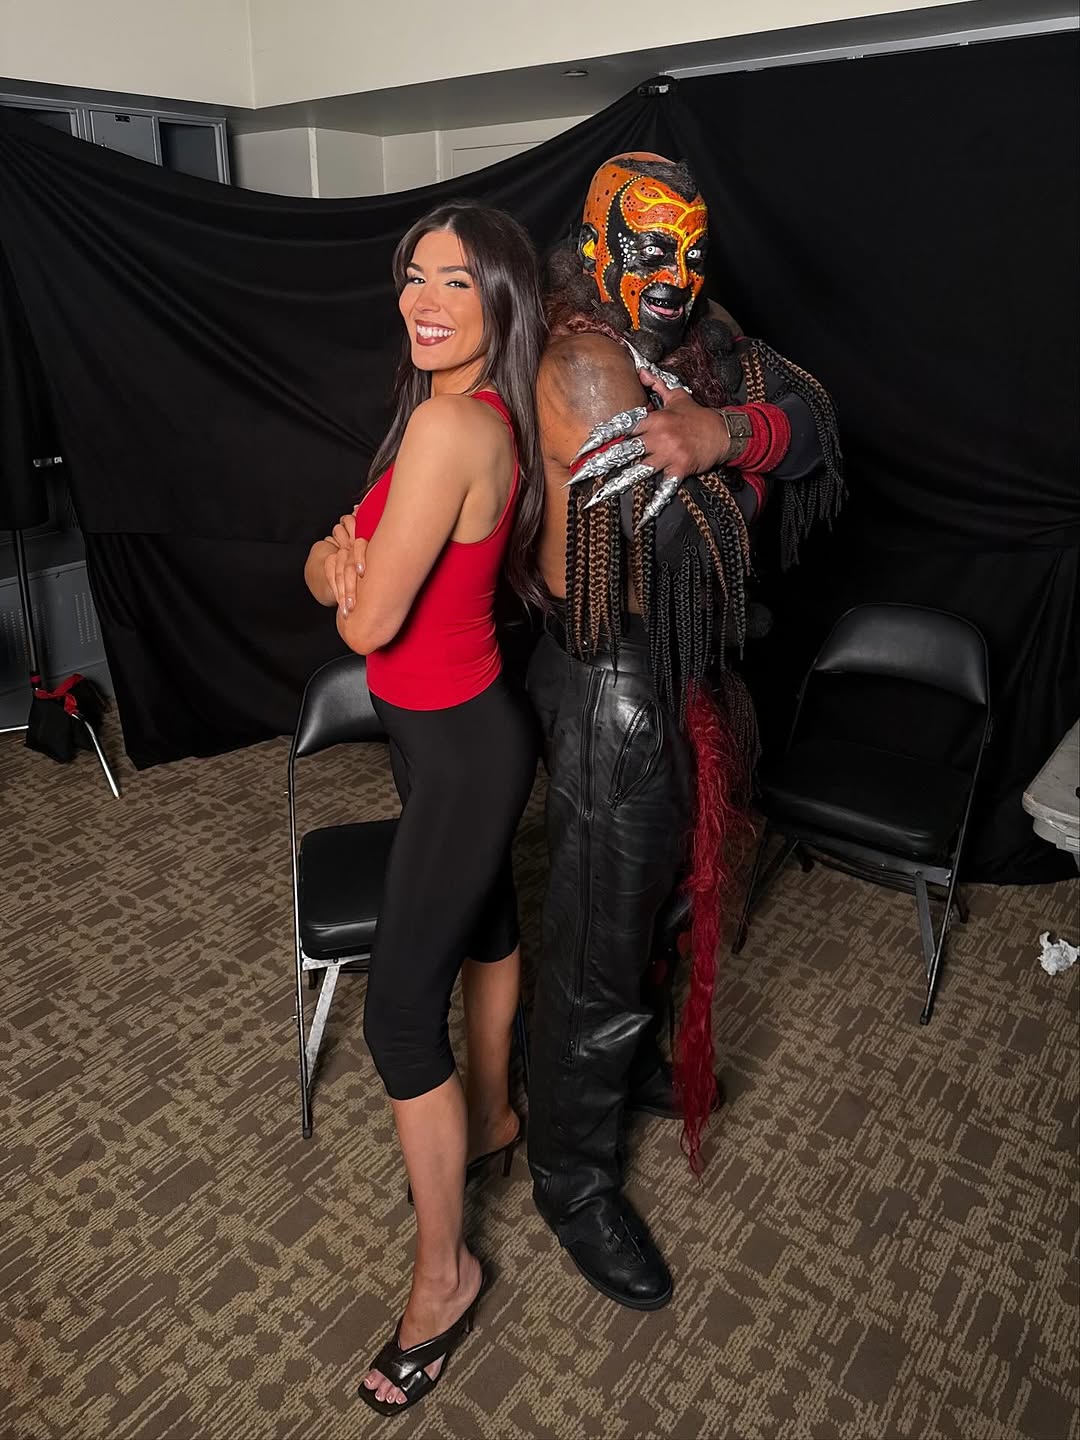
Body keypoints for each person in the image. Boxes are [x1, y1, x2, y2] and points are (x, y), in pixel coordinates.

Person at [526, 153, 844, 1311]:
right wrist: (732, 452)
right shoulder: (584, 361)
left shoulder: (702, 337)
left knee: (657, 908)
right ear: (596, 244)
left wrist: (728, 432)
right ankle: (570, 1177)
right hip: (613, 677)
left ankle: (617, 1077)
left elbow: (814, 421)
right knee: (598, 945)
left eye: (693, 247)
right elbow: (684, 544)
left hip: (680, 670)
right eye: (650, 245)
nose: (677, 270)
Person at [303, 201, 544, 1416]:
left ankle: (445, 1279)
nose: (425, 298)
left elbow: (362, 615)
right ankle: (493, 1117)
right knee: (489, 925)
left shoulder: (453, 423)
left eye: (456, 278)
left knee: (399, 1023)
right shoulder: (452, 410)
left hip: (459, 751)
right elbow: (333, 560)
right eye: (413, 274)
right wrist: (337, 561)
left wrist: (342, 569)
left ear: (501, 298)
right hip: (454, 728)